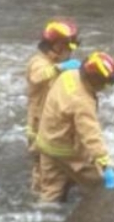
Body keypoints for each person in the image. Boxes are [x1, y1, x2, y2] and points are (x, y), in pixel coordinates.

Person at [35, 50, 114, 202]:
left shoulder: (69, 75)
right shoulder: (82, 102)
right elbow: (91, 134)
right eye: (106, 83)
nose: (106, 87)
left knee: (51, 190)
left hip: (46, 141)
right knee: (97, 183)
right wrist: (104, 163)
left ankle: (45, 218)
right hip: (66, 149)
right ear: (96, 80)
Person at [26, 18, 82, 193]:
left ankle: (62, 188)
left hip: (54, 124)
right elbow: (38, 76)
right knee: (42, 167)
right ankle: (39, 197)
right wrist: (60, 68)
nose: (69, 50)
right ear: (54, 45)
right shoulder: (39, 62)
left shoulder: (60, 62)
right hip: (38, 126)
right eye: (65, 45)